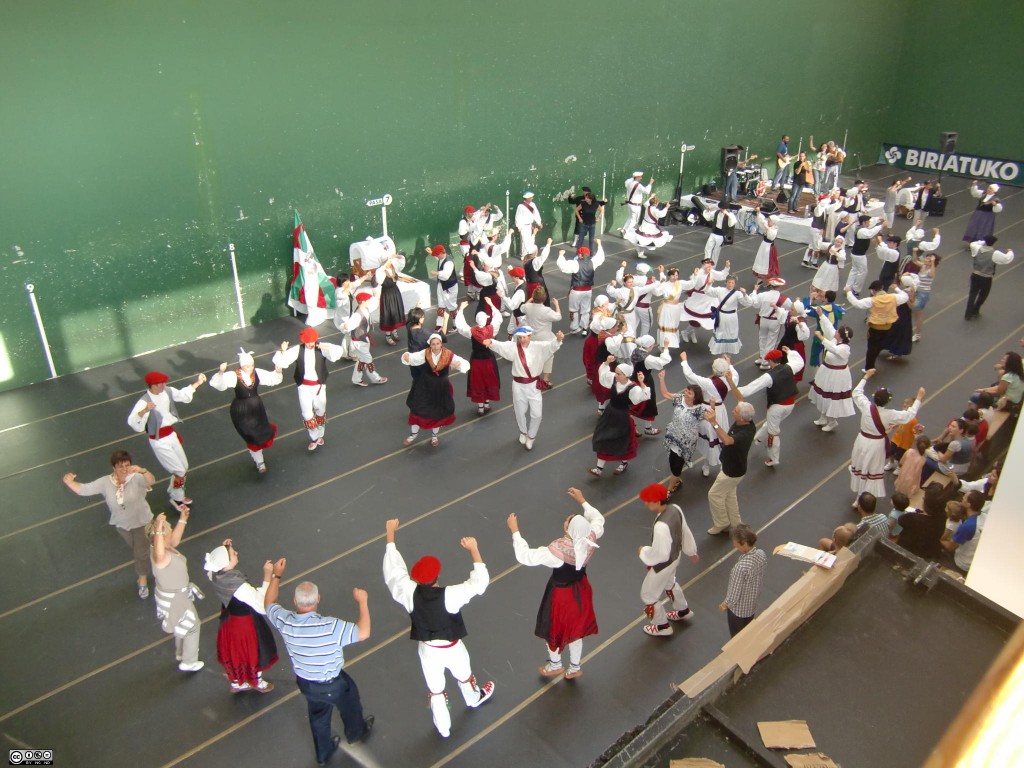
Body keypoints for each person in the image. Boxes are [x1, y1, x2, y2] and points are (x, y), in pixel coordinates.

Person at [382, 519, 495, 738]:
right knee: (464, 675)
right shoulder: (449, 596)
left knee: (436, 689)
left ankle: (443, 727)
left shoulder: (409, 592)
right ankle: (473, 698)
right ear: (438, 575)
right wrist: (474, 549)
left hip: (428, 650)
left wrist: (390, 534)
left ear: (415, 578)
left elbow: (393, 572)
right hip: (452, 647)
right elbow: (479, 583)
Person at [264, 559, 373, 764]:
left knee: (318, 716)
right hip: (333, 683)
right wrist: (362, 602)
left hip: (306, 682)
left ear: (295, 602)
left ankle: (323, 754)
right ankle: (355, 733)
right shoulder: (330, 627)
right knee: (351, 703)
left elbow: (269, 603)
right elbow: (363, 632)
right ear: (318, 599)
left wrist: (276, 575)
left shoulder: (285, 621)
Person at [507, 487, 605, 679]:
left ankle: (555, 664)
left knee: (552, 629)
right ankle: (574, 668)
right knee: (575, 630)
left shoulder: (557, 552)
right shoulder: (590, 538)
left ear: (568, 529)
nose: (566, 520)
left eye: (568, 521)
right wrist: (582, 500)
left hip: (561, 596)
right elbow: (598, 519)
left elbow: (525, 556)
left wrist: (515, 531)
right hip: (581, 590)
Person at [63, 450, 156, 599]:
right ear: (114, 468)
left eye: (127, 465)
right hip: (122, 525)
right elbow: (85, 489)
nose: (124, 469)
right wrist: (69, 482)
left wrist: (143, 471)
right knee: (139, 549)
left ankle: (142, 579)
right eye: (120, 466)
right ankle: (152, 549)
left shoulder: (137, 477)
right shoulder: (105, 482)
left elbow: (151, 481)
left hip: (141, 522)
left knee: (140, 553)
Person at [204, 539, 278, 693]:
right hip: (244, 624)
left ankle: (237, 682)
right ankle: (256, 681)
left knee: (235, 652)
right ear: (226, 563)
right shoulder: (238, 587)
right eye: (233, 553)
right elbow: (262, 606)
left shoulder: (215, 574)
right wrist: (268, 576)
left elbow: (217, 564)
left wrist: (225, 549)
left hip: (229, 620)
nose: (236, 553)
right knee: (252, 651)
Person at [127, 370, 207, 507]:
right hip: (159, 440)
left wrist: (198, 383)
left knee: (184, 467)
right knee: (179, 471)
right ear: (153, 385)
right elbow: (133, 422)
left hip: (171, 435)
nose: (164, 385)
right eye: (161, 384)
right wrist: (145, 410)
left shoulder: (167, 391)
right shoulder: (144, 401)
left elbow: (183, 395)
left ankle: (174, 489)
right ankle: (177, 498)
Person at [849, 369, 924, 501]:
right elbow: (909, 415)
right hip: (876, 445)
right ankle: (863, 497)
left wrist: (866, 376)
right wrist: (918, 398)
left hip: (862, 440)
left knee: (861, 466)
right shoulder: (890, 414)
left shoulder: (866, 407)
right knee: (872, 469)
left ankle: (859, 496)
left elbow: (856, 392)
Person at [485, 327, 564, 450]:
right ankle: (523, 432)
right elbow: (501, 346)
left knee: (537, 414)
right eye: (520, 337)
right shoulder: (514, 348)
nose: (522, 340)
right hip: (518, 385)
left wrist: (558, 340)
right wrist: (491, 342)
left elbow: (551, 346)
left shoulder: (538, 347)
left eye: (524, 337)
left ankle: (531, 436)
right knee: (519, 411)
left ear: (530, 336)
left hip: (534, 386)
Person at [636, 484, 698, 637]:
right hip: (675, 557)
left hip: (663, 565)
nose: (646, 503)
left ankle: (662, 626)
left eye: (649, 501)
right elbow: (685, 530)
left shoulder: (661, 527)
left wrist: (643, 551)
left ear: (658, 501)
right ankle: (682, 610)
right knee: (670, 583)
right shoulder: (675, 509)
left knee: (648, 595)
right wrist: (691, 551)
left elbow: (660, 554)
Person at [209, 349, 284, 474]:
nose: (251, 368)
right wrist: (221, 372)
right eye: (248, 366)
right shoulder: (234, 375)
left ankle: (258, 459)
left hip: (257, 409)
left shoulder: (257, 373)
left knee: (259, 433)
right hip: (242, 411)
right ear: (242, 366)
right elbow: (218, 384)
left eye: (252, 365)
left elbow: (272, 379)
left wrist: (278, 372)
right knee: (251, 435)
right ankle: (259, 462)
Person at [273, 328, 348, 451]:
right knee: (307, 414)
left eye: (312, 341)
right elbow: (281, 361)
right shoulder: (298, 350)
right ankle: (314, 437)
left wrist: (325, 346)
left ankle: (320, 434)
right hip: (304, 387)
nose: (309, 344)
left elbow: (338, 352)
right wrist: (282, 350)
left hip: (319, 386)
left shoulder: (321, 348)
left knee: (320, 411)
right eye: (307, 342)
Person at [726, 347, 803, 467]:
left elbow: (749, 389)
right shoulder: (789, 367)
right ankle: (760, 437)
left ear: (771, 361)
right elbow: (799, 361)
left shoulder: (768, 377)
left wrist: (732, 384)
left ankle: (773, 458)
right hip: (790, 404)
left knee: (773, 433)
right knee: (771, 423)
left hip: (776, 408)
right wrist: (790, 352)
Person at [147, 511, 203, 671]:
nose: (171, 529)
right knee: (193, 626)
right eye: (169, 528)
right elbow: (160, 553)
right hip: (176, 599)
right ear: (161, 535)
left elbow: (175, 539)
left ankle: (181, 653)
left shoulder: (165, 547)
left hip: (176, 595)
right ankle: (189, 662)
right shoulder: (160, 556)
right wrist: (159, 526)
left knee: (182, 624)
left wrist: (183, 519)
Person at [400, 333, 468, 447]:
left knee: (437, 413)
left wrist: (455, 366)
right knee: (417, 410)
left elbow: (464, 363)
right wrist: (406, 357)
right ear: (430, 345)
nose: (436, 346)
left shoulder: (448, 354)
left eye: (437, 344)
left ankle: (434, 436)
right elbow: (412, 357)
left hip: (441, 388)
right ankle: (413, 435)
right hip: (425, 386)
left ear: (441, 344)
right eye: (433, 344)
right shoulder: (425, 353)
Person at [589, 358, 651, 477]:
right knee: (602, 437)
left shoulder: (633, 388)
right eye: (616, 372)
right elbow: (603, 375)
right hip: (609, 413)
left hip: (622, 417)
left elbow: (644, 396)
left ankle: (623, 463)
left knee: (622, 441)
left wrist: (642, 383)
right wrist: (606, 363)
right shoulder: (613, 379)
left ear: (626, 375)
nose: (615, 375)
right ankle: (599, 468)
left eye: (618, 374)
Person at [705, 401, 757, 535]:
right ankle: (736, 523)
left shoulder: (744, 434)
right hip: (734, 467)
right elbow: (740, 398)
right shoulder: (747, 423)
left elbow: (727, 440)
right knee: (729, 496)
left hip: (731, 472)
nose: (732, 411)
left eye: (735, 411)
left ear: (741, 417)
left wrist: (714, 422)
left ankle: (722, 522)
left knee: (714, 495)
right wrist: (712, 408)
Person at [657, 371, 713, 492]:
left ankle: (669, 489)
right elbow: (665, 394)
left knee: (677, 467)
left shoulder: (699, 409)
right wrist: (661, 379)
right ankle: (676, 480)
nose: (686, 393)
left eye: (689, 393)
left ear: (696, 397)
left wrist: (713, 407)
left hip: (686, 442)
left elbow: (712, 419)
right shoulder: (680, 399)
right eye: (686, 391)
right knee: (672, 461)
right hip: (673, 436)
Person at [808, 309, 855, 432]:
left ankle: (832, 421)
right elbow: (829, 327)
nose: (836, 331)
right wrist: (821, 315)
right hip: (827, 371)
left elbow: (833, 349)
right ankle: (823, 417)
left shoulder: (844, 348)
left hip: (836, 376)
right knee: (822, 395)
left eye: (838, 331)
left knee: (831, 398)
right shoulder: (835, 339)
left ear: (841, 336)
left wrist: (822, 338)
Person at [453, 300, 501, 415]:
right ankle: (487, 404)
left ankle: (480, 408)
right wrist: (491, 305)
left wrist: (461, 309)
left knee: (478, 382)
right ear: (486, 320)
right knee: (489, 380)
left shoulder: (471, 331)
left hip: (476, 360)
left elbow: (460, 325)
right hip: (488, 359)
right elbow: (498, 318)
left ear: (476, 320)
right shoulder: (491, 329)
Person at [720, 524, 766, 637]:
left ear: (744, 543)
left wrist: (725, 604)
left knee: (737, 636)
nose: (734, 544)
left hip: (738, 612)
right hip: (751, 605)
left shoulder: (739, 568)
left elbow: (734, 594)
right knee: (747, 633)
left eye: (735, 542)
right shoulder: (761, 554)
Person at [557, 241, 606, 335]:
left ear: (580, 254)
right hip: (588, 290)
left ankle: (574, 327)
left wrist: (561, 255)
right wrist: (599, 244)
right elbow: (601, 257)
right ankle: (584, 328)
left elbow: (563, 266)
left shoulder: (575, 263)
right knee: (586, 309)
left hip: (576, 290)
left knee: (574, 309)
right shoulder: (593, 262)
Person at [679, 259, 731, 344]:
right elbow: (691, 284)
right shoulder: (698, 273)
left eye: (711, 264)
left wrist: (727, 267)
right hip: (698, 299)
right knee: (695, 319)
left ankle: (691, 332)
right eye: (707, 264)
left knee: (704, 319)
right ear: (703, 264)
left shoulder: (712, 272)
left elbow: (722, 275)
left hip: (708, 299)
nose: (709, 266)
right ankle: (685, 332)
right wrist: (695, 276)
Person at [521, 287, 562, 389]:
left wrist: (530, 299)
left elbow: (522, 308)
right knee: (548, 357)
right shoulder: (546, 310)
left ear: (533, 296)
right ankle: (546, 379)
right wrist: (557, 304)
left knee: (533, 357)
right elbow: (558, 317)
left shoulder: (528, 307)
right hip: (545, 339)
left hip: (532, 338)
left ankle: (532, 378)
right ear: (544, 299)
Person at [965, 236, 1015, 320]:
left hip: (975, 274)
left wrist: (982, 242)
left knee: (972, 294)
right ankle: (975, 310)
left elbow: (973, 243)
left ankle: (967, 314)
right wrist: (1010, 252)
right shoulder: (995, 253)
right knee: (983, 295)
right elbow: (1007, 259)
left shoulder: (977, 248)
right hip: (986, 278)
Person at [748, 277, 791, 369]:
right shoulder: (783, 298)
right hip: (774, 321)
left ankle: (761, 357)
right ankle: (765, 362)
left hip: (763, 320)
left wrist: (755, 291)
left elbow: (755, 304)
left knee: (762, 339)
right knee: (771, 342)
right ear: (780, 287)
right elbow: (791, 307)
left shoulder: (763, 295)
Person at [706, 273, 748, 355]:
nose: (730, 284)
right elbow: (708, 292)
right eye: (729, 282)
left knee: (731, 333)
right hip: (721, 316)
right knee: (721, 333)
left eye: (732, 283)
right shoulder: (720, 290)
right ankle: (721, 354)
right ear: (726, 282)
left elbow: (746, 303)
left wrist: (745, 294)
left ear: (735, 284)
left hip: (732, 317)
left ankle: (728, 355)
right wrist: (709, 284)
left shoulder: (738, 294)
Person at [845, 216, 887, 296]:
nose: (870, 222)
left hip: (855, 253)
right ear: (864, 222)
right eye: (868, 221)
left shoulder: (861, 227)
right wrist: (882, 226)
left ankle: (848, 287)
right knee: (863, 272)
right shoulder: (862, 231)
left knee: (854, 270)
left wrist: (878, 219)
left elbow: (871, 224)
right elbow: (870, 233)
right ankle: (856, 290)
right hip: (860, 255)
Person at [803, 191, 842, 269]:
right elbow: (824, 203)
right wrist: (830, 197)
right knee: (817, 247)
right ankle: (814, 263)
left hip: (816, 228)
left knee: (812, 245)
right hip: (817, 229)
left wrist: (838, 201)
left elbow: (832, 207)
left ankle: (805, 261)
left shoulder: (824, 208)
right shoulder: (819, 208)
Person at [375, 255, 408, 346]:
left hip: (395, 292)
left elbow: (402, 260)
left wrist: (395, 256)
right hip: (387, 294)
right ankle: (388, 336)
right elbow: (379, 279)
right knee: (388, 314)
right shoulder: (380, 271)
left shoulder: (394, 267)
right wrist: (386, 264)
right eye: (387, 260)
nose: (390, 262)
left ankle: (394, 331)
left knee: (395, 312)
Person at [428, 244, 459, 332]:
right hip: (441, 285)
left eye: (436, 254)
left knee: (452, 306)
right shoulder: (442, 257)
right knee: (441, 305)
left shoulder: (449, 263)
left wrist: (437, 273)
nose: (436, 256)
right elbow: (437, 258)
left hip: (450, 287)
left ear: (441, 253)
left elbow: (446, 276)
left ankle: (456, 325)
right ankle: (439, 324)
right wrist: (431, 253)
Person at [911, 252, 940, 341]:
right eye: (926, 258)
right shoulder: (923, 266)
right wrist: (914, 252)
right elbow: (914, 260)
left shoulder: (930, 270)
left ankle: (918, 334)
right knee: (914, 312)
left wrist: (933, 262)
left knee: (918, 315)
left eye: (928, 259)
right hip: (916, 290)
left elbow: (932, 275)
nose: (926, 259)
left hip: (923, 294)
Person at [702, 201, 737, 267]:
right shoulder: (716, 212)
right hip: (714, 233)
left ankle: (712, 267)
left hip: (721, 235)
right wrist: (708, 210)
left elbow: (732, 223)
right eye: (721, 208)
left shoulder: (730, 214)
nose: (721, 209)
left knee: (716, 252)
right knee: (707, 248)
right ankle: (706, 265)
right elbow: (708, 217)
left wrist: (727, 214)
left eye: (723, 208)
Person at [574, 189, 607, 253]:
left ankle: (591, 254)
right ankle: (578, 254)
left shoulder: (596, 204)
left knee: (591, 240)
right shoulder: (583, 204)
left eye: (587, 198)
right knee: (580, 240)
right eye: (585, 197)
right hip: (583, 224)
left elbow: (602, 210)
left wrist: (598, 218)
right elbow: (576, 210)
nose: (586, 199)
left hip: (592, 225)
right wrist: (580, 218)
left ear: (591, 199)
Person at [622, 171, 652, 236]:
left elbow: (627, 181)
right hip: (635, 206)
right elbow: (647, 191)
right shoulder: (638, 185)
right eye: (640, 177)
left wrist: (633, 177)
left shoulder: (629, 183)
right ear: (637, 177)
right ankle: (625, 232)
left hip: (630, 204)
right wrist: (650, 184)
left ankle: (623, 229)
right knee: (634, 221)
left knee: (630, 218)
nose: (641, 178)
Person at [515, 192, 543, 257]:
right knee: (524, 241)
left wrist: (539, 222)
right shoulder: (520, 206)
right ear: (527, 198)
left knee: (530, 240)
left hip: (530, 226)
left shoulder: (533, 204)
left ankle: (528, 254)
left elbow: (536, 214)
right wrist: (519, 227)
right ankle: (523, 255)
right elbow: (518, 217)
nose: (532, 198)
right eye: (531, 197)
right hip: (523, 226)